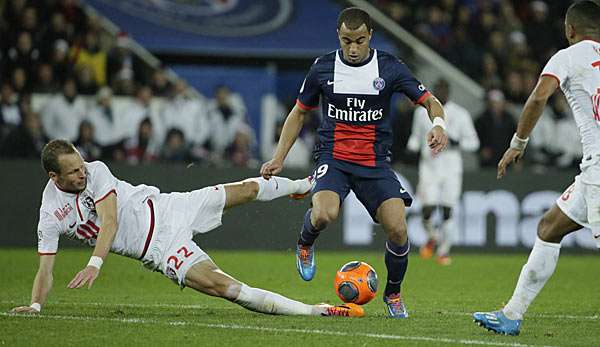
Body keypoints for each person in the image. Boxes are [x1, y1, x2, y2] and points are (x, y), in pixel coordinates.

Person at [8, 139, 362, 318]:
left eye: (80, 165)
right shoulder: (51, 212)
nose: (81, 173)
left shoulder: (97, 171)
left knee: (247, 189)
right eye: (72, 172)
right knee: (226, 288)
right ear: (54, 177)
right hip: (159, 250)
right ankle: (314, 311)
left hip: (169, 206)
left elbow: (110, 220)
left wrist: (94, 263)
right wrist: (36, 306)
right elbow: (45, 268)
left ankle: (301, 185)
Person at [260, 7, 448, 318]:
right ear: (338, 36)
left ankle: (393, 293)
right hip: (333, 157)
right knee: (323, 214)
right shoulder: (322, 68)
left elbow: (429, 100)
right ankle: (305, 244)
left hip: (375, 162)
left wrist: (438, 124)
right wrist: (278, 157)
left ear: (370, 36)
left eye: (360, 40)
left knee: (399, 230)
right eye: (347, 40)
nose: (354, 48)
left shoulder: (389, 68)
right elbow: (299, 112)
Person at [473, 1, 600, 335]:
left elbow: (538, 97)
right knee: (549, 228)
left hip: (599, 171)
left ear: (570, 29)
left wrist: (518, 143)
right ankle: (511, 314)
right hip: (592, 173)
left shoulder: (568, 56)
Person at [407, 79, 479, 266]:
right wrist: (411, 148)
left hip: (451, 168)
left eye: (443, 89)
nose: (441, 93)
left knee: (447, 210)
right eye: (438, 90)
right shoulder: (421, 113)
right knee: (427, 208)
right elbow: (415, 138)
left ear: (449, 91)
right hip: (429, 167)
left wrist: (457, 143)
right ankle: (433, 237)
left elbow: (474, 143)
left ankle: (443, 251)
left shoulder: (460, 114)